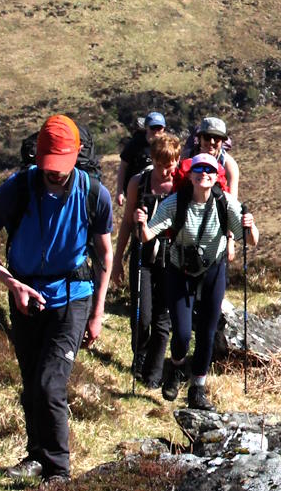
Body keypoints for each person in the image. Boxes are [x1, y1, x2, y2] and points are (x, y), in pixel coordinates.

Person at [0, 115, 113, 484]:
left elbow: (105, 256)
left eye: (62, 168)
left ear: (77, 157)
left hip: (72, 298)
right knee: (32, 381)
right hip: (25, 299)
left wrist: (97, 313)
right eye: (49, 167)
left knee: (51, 384)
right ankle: (36, 456)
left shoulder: (94, 194)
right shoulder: (16, 189)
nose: (55, 174)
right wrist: (13, 284)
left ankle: (58, 471)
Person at [134, 152, 257, 409]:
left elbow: (251, 239)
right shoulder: (175, 203)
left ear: (216, 177)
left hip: (213, 272)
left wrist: (250, 225)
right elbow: (147, 236)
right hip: (180, 271)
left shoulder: (226, 203)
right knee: (180, 333)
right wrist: (142, 222)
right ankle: (177, 368)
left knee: (207, 333)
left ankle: (197, 390)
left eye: (209, 170)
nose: (204, 174)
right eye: (198, 169)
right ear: (189, 175)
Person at [110, 131, 180, 389]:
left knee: (163, 318)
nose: (165, 172)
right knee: (142, 315)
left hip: (171, 259)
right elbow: (127, 223)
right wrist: (118, 261)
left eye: (170, 166)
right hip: (142, 257)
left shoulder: (181, 186)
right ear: (153, 159)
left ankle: (153, 374)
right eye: (160, 165)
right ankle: (139, 358)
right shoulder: (138, 183)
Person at [173, 116, 241, 202]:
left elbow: (232, 200)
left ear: (222, 142)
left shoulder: (229, 165)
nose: (211, 142)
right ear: (200, 139)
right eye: (207, 137)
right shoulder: (186, 157)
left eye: (216, 139)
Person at [115, 111, 170, 212]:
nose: (156, 132)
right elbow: (123, 167)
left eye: (159, 128)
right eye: (153, 128)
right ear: (146, 128)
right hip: (137, 191)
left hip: (160, 192)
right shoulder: (135, 144)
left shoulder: (167, 146)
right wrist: (120, 192)